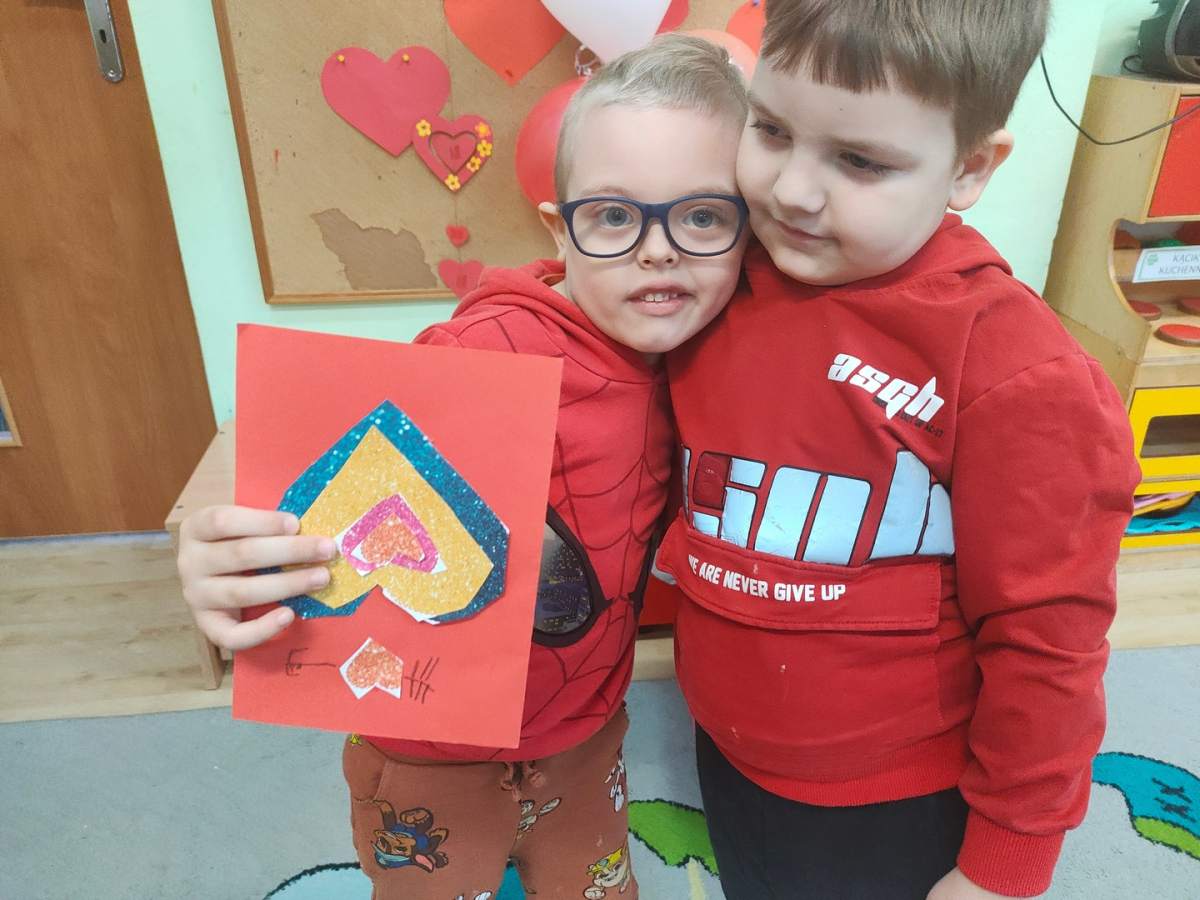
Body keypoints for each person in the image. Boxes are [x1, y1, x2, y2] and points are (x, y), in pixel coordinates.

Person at [175, 34, 750, 900]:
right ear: (560, 227)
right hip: (425, 754)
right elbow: (334, 495)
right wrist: (230, 572)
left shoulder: (708, 359)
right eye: (613, 216)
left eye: (702, 216)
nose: (659, 249)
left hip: (584, 732)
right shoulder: (480, 354)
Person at [653, 2, 1142, 898]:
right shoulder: (715, 272)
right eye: (770, 130)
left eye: (861, 161)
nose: (793, 191)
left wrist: (1003, 864)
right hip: (728, 749)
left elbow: (1049, 642)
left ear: (970, 167)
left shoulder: (1012, 368)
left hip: (894, 803)